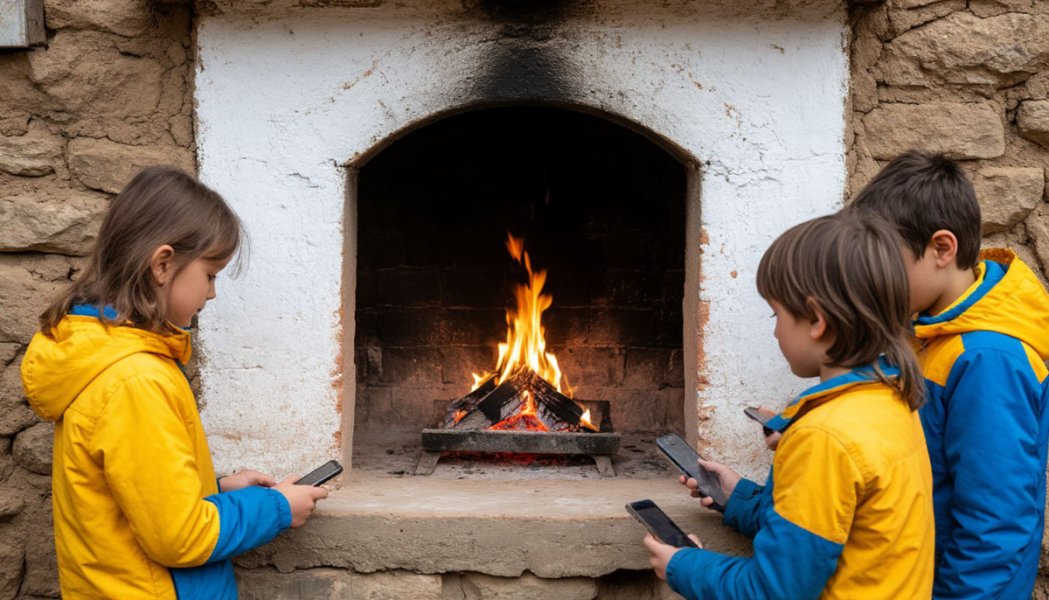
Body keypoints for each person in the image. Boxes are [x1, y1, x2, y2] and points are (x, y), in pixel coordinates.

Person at [20, 166, 329, 599]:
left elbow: (137, 495)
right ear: (164, 264)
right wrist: (276, 508)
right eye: (210, 274)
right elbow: (179, 537)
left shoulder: (112, 359)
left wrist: (216, 489)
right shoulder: (134, 381)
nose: (213, 293)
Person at [643, 211, 934, 599]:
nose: (776, 329)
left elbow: (773, 591)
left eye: (776, 314)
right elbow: (827, 525)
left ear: (816, 320)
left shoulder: (822, 437)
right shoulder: (889, 402)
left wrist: (682, 564)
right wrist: (740, 497)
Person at [850, 151, 1049, 598]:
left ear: (942, 248)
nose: (873, 280)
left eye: (884, 263)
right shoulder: (931, 334)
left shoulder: (987, 360)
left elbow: (995, 525)